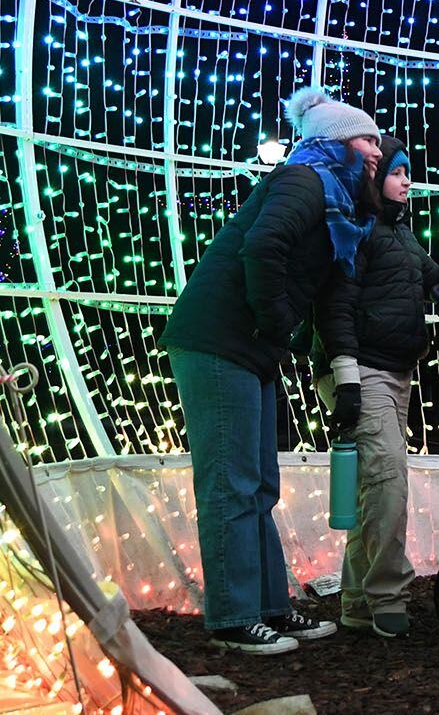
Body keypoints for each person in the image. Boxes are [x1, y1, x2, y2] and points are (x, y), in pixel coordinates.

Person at [160, 85, 378, 655]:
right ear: (335, 142)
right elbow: (263, 249)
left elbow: (331, 301)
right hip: (219, 339)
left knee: (258, 484)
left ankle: (271, 608)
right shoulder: (303, 180)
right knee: (230, 483)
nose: (376, 151)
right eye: (367, 138)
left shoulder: (341, 210)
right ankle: (233, 619)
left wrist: (337, 369)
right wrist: (278, 322)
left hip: (250, 345)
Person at [313, 134, 439, 639]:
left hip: (395, 372)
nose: (407, 181)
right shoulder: (355, 230)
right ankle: (388, 596)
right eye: (397, 172)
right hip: (362, 371)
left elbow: (430, 282)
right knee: (389, 482)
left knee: (374, 488)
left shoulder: (400, 234)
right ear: (373, 178)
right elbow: (336, 306)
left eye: (407, 172)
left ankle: (356, 601)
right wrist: (348, 378)